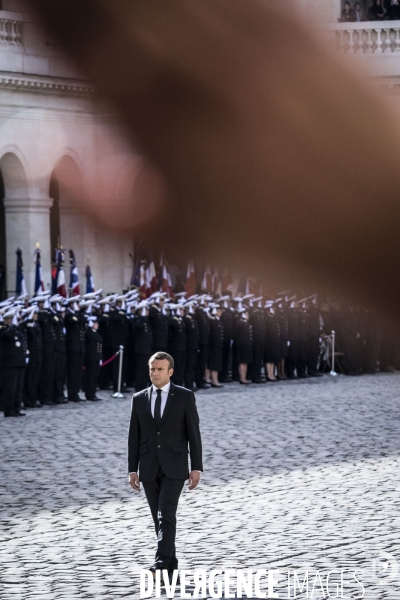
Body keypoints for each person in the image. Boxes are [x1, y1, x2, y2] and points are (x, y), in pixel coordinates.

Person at [128, 352, 202, 580]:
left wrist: (196, 467)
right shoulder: (139, 398)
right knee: (157, 518)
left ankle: (160, 562)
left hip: (175, 465)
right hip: (148, 466)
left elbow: (194, 433)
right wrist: (132, 468)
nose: (155, 373)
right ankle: (171, 568)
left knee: (165, 514)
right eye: (152, 368)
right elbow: (133, 436)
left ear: (170, 372)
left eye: (160, 369)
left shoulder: (184, 396)